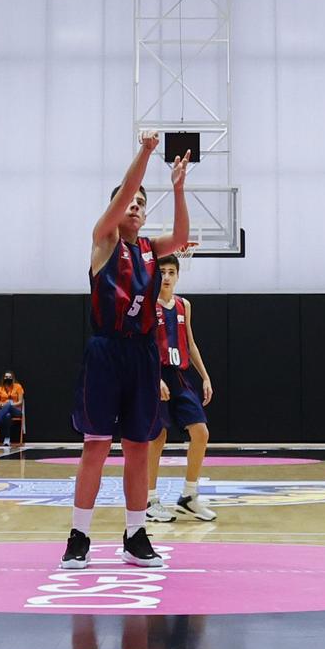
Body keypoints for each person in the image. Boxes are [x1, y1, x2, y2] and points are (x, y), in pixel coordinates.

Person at [59, 132, 188, 571]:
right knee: (95, 446)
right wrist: (147, 152)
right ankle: (79, 535)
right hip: (106, 352)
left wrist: (177, 187)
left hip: (142, 354)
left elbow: (184, 235)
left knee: (138, 446)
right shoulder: (104, 240)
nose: (135, 206)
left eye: (140, 203)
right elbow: (124, 195)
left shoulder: (152, 250)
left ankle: (135, 534)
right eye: (129, 201)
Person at [144, 257, 216, 522]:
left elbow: (191, 343)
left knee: (201, 432)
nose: (166, 277)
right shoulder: (148, 306)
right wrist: (154, 379)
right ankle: (150, 500)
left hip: (180, 375)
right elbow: (144, 346)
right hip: (156, 374)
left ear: (177, 276)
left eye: (171, 272)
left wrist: (205, 376)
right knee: (157, 438)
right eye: (162, 272)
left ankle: (189, 496)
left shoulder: (185, 305)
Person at [0, 372, 25, 449]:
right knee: (7, 415)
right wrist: (1, 405)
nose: (8, 378)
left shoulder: (18, 387)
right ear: (3, 378)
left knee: (8, 405)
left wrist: (9, 405)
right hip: (4, 411)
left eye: (10, 377)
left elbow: (20, 402)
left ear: (13, 378)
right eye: (6, 377)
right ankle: (7, 439)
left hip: (16, 410)